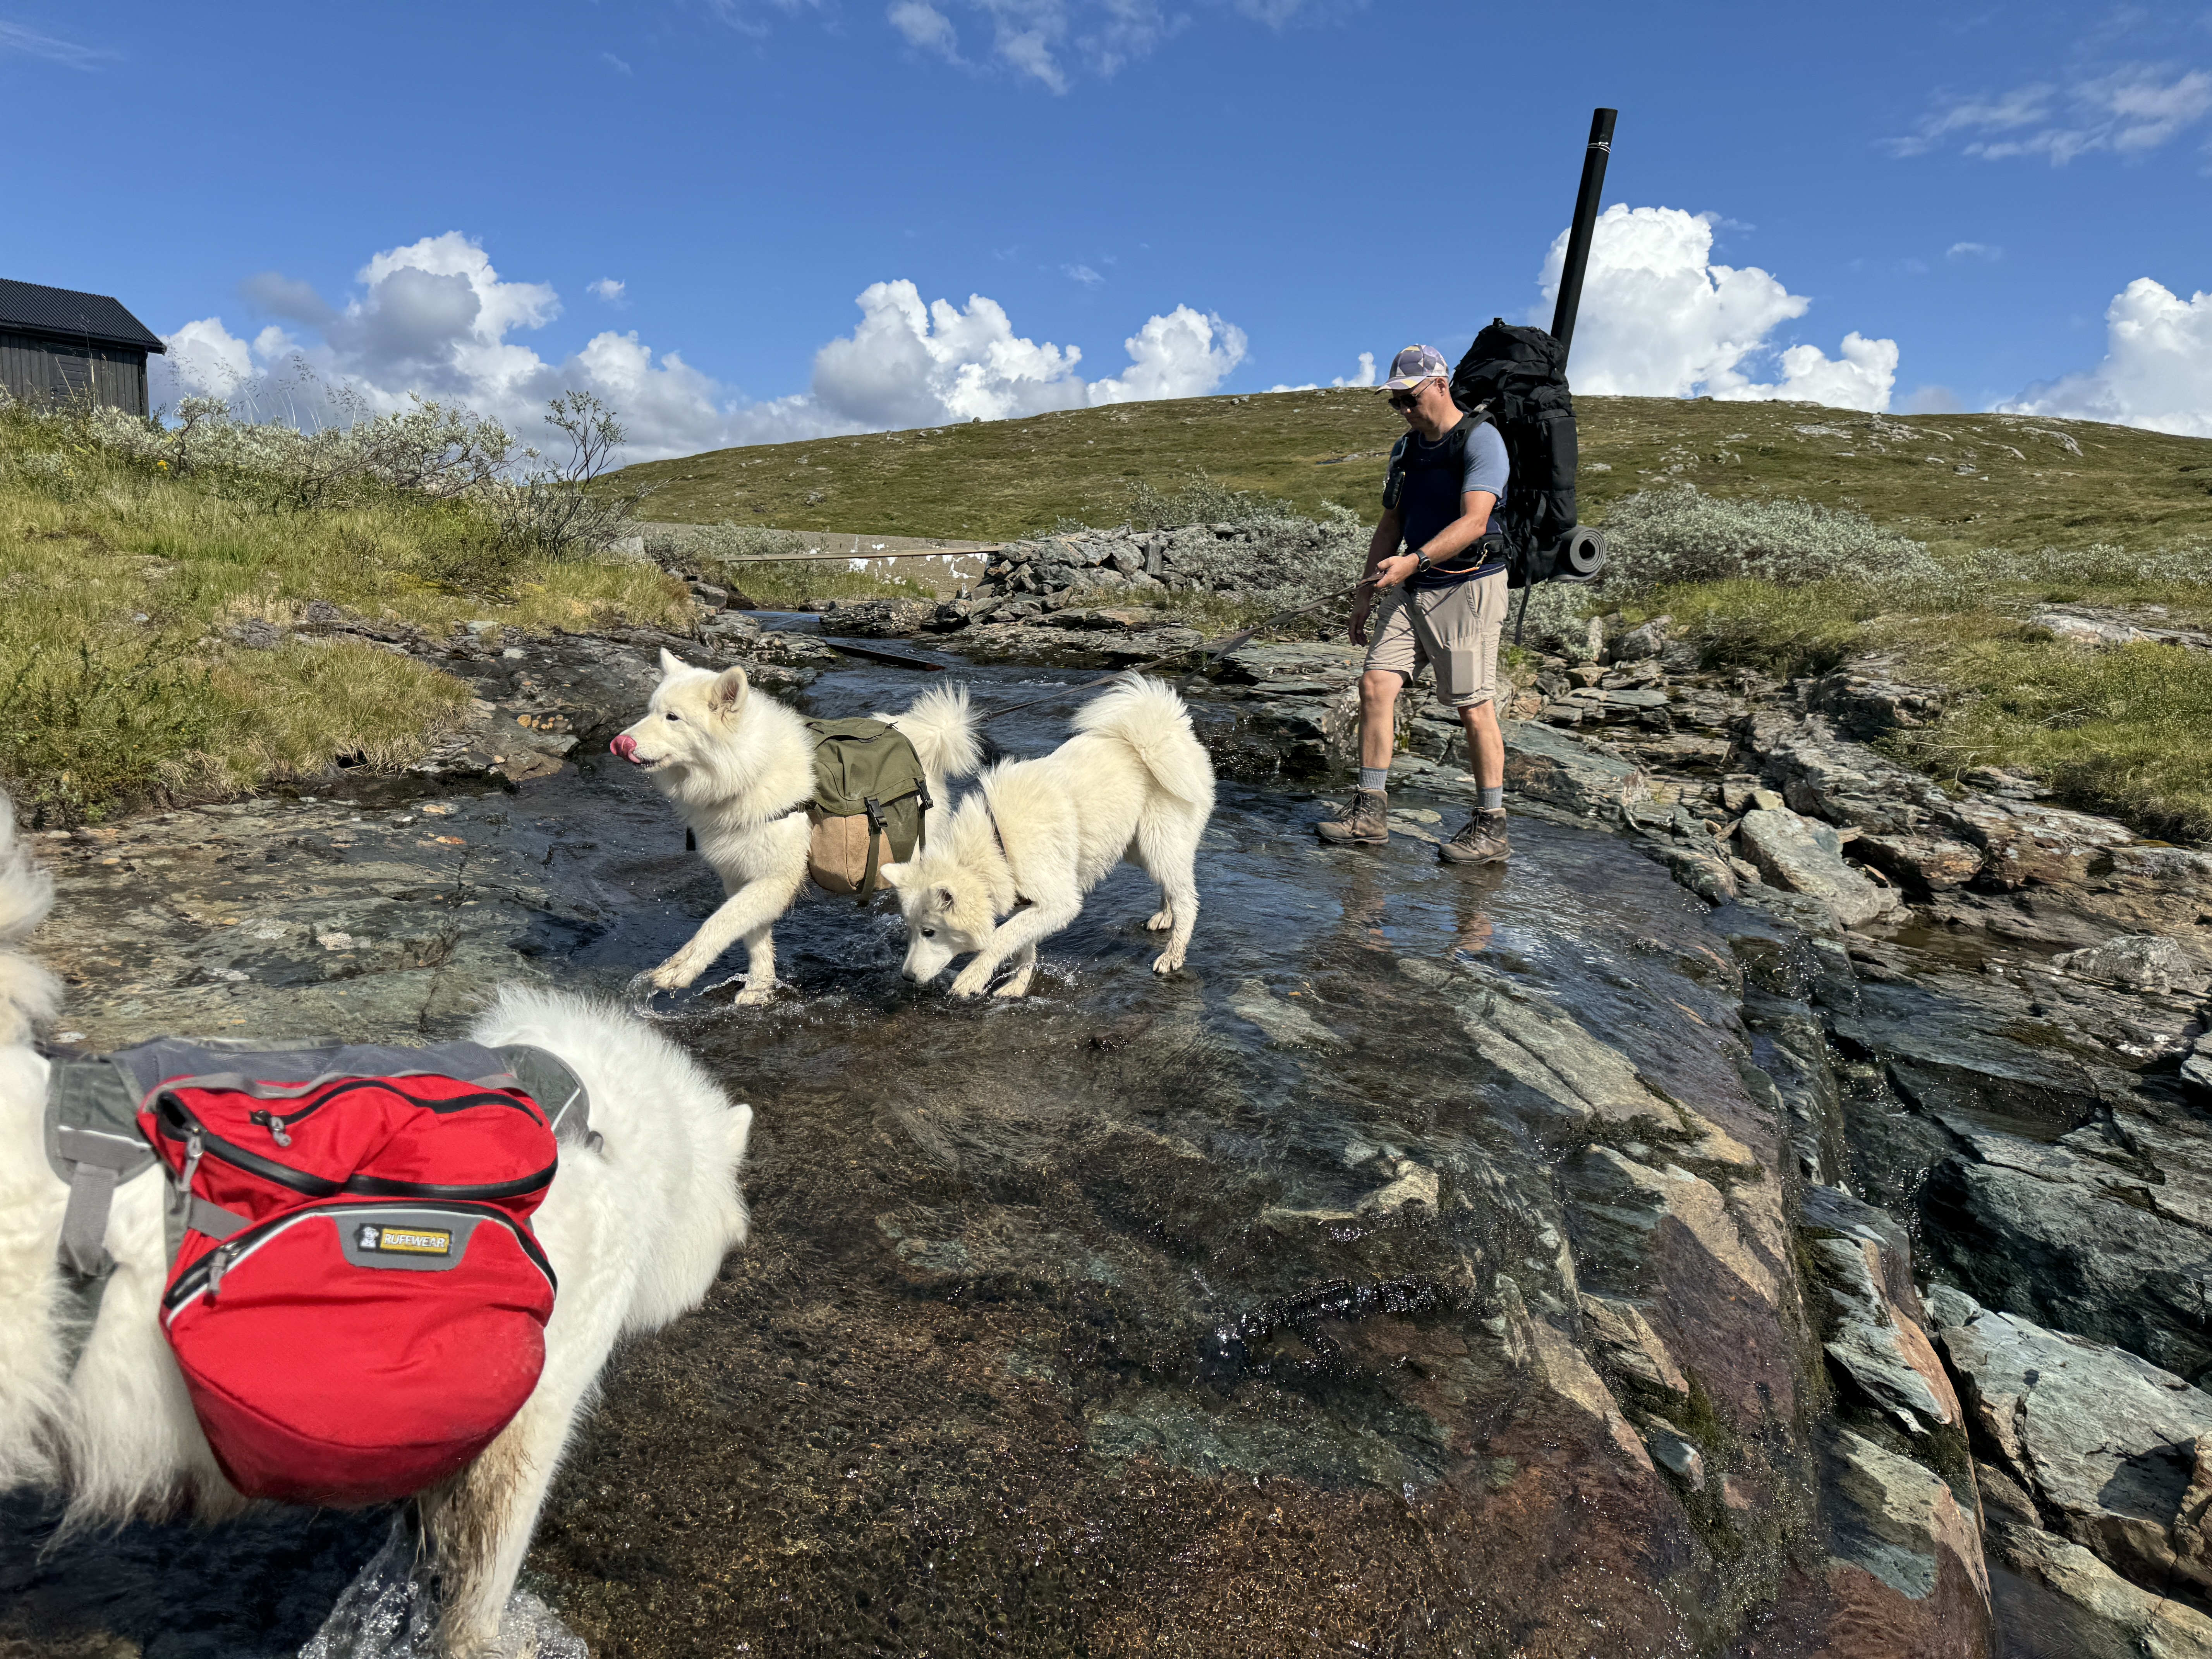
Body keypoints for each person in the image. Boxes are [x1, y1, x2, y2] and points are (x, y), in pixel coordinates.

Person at [1316, 345, 1512, 862]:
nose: (1404, 409)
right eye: (1396, 402)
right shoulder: (1406, 449)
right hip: (1412, 587)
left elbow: (1475, 521)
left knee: (1473, 706)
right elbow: (1391, 524)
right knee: (1376, 685)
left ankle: (1492, 826)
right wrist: (1364, 593)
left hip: (1468, 589)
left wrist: (1414, 560)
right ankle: (1369, 812)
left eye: (1411, 398)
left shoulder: (1482, 440)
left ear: (1441, 386)